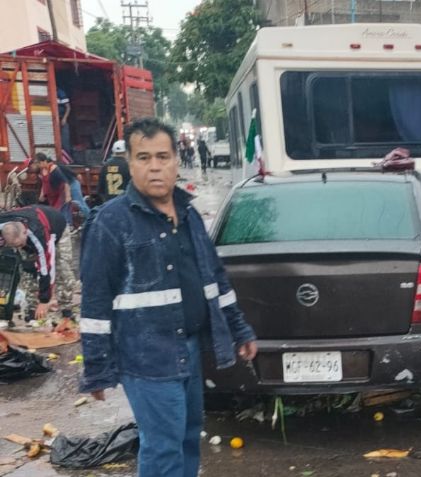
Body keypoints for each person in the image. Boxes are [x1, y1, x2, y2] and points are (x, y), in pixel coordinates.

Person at [79, 117, 257, 477]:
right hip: (145, 358)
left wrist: (239, 330)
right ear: (130, 164)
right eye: (143, 158)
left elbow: (214, 279)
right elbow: (95, 301)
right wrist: (97, 369)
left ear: (177, 160)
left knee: (189, 437)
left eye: (162, 156)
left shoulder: (189, 214)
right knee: (163, 448)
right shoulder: (111, 223)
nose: (155, 166)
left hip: (188, 349)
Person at [0, 205, 75, 323]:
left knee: (63, 269)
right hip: (26, 225)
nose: (20, 248)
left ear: (25, 232)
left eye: (20, 244)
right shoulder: (3, 224)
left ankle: (66, 309)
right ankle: (32, 309)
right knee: (28, 270)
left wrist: (44, 300)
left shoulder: (38, 233)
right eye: (15, 246)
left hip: (56, 228)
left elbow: (47, 267)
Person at [32, 153, 71, 223]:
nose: (39, 166)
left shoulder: (53, 168)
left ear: (43, 161)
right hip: (51, 197)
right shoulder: (42, 171)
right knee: (53, 213)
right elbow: (44, 184)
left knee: (60, 212)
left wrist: (68, 196)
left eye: (39, 163)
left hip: (60, 195)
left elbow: (65, 182)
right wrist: (42, 194)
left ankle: (67, 226)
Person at [57, 86, 71, 155]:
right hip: (54, 120)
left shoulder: (60, 92)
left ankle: (67, 158)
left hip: (61, 118)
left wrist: (64, 118)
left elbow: (68, 107)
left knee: (65, 139)